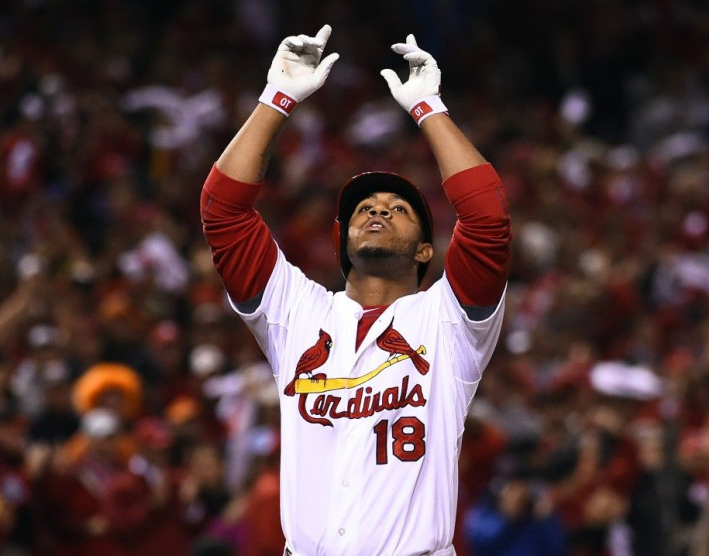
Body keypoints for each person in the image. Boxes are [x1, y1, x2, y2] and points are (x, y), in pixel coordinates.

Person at [200, 24, 511, 555]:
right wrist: (277, 98)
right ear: (343, 244)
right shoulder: (294, 312)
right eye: (365, 209)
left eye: (399, 209)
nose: (378, 210)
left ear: (423, 251)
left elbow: (486, 218)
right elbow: (223, 211)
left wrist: (428, 109)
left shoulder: (451, 320)